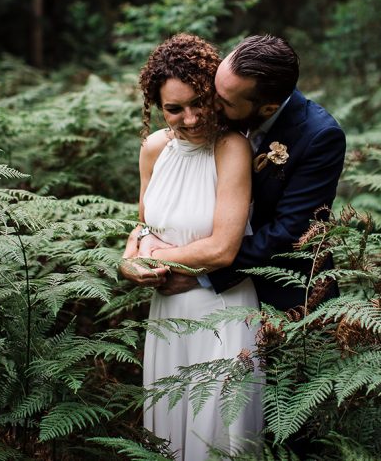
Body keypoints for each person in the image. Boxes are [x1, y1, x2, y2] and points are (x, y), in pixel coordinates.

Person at [119, 33, 263, 460]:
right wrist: (128, 261)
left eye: (199, 102)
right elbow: (143, 224)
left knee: (217, 433)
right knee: (172, 430)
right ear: (157, 108)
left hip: (219, 310)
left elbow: (222, 249)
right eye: (174, 108)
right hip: (166, 314)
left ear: (213, 93)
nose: (191, 117)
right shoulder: (153, 150)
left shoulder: (231, 148)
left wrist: (154, 258)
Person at [159, 34, 347, 311]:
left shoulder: (319, 137)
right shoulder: (211, 121)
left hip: (286, 296)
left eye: (223, 101)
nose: (210, 105)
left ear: (267, 108)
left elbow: (289, 232)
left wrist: (204, 274)